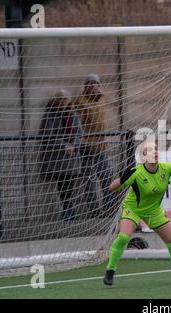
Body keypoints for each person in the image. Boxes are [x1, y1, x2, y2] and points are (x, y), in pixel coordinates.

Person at [103, 141, 171, 285]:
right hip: (133, 209)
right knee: (123, 237)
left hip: (154, 211)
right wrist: (122, 178)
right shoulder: (136, 172)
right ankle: (110, 270)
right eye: (149, 150)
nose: (155, 152)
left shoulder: (165, 168)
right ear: (143, 157)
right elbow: (112, 188)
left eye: (156, 149)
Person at [72, 74, 115, 218]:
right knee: (89, 182)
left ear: (98, 85)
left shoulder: (102, 98)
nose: (91, 86)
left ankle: (109, 209)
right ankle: (94, 211)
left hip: (101, 146)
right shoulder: (79, 101)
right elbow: (76, 124)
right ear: (85, 86)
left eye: (94, 83)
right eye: (88, 83)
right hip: (86, 147)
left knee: (108, 177)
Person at [39, 89, 83, 221]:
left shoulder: (73, 114)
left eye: (65, 98)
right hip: (58, 157)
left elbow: (79, 133)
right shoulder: (50, 114)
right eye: (60, 98)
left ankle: (69, 209)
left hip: (72, 155)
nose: (63, 100)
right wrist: (64, 146)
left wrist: (73, 145)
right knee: (62, 182)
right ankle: (67, 209)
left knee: (70, 182)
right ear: (56, 100)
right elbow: (47, 134)